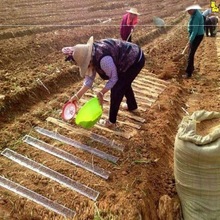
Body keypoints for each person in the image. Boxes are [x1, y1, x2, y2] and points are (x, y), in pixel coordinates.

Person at [62, 36, 145, 128]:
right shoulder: (91, 55)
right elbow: (89, 81)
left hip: (134, 60)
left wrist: (102, 93)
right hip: (123, 59)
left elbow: (114, 78)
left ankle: (111, 122)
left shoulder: (103, 60)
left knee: (117, 89)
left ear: (87, 59)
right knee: (124, 83)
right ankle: (132, 106)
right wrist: (76, 97)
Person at [184, 4, 204, 79]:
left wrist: (190, 40)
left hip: (197, 36)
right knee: (190, 52)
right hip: (197, 35)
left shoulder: (196, 16)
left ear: (192, 9)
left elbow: (195, 31)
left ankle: (188, 73)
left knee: (190, 54)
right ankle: (191, 68)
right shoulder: (195, 13)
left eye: (189, 11)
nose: (188, 12)